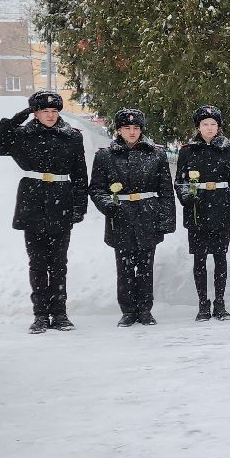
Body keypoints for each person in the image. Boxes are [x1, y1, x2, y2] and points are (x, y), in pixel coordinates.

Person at [0, 90, 88, 332]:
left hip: (61, 200)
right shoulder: (21, 135)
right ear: (34, 113)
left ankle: (59, 313)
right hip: (32, 200)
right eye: (44, 111)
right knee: (37, 263)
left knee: (58, 263)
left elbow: (80, 174)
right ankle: (40, 315)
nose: (50, 115)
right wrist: (14, 120)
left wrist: (80, 207)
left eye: (54, 111)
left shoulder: (71, 136)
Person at [89, 109, 177, 327]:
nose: (132, 132)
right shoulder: (105, 155)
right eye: (127, 128)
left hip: (148, 214)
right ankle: (128, 311)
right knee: (125, 267)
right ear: (119, 130)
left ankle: (145, 310)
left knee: (146, 267)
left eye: (136, 128)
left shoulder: (156, 154)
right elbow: (97, 189)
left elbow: (166, 190)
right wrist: (107, 205)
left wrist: (167, 220)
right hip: (120, 217)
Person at [176, 105, 230, 321]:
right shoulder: (187, 151)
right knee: (200, 259)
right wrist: (186, 197)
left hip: (222, 207)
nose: (209, 128)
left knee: (220, 257)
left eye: (213, 124)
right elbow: (180, 181)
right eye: (205, 124)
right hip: (197, 209)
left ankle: (220, 303)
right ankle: (203, 304)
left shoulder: (229, 151)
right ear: (198, 127)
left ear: (219, 127)